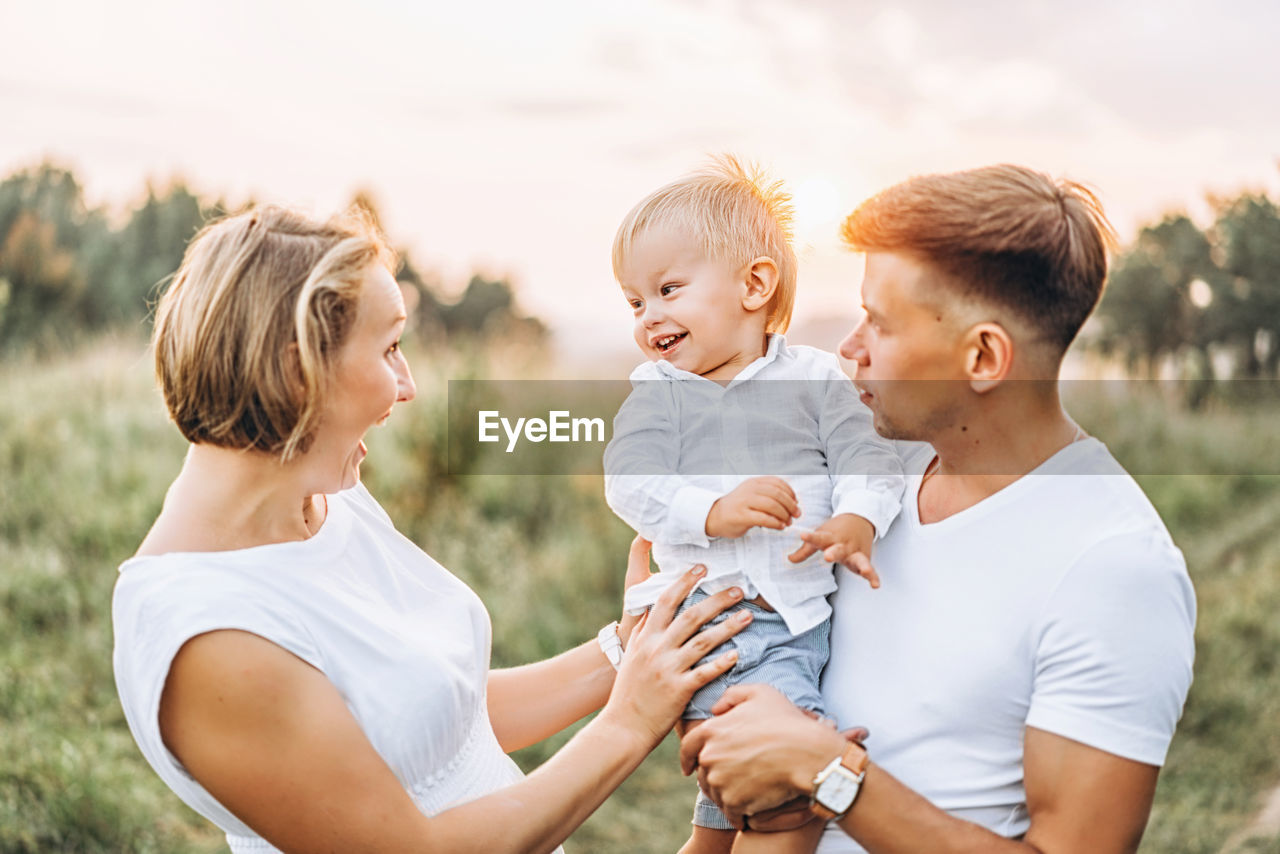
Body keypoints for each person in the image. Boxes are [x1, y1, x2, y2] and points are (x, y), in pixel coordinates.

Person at [111, 205, 755, 854]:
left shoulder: (324, 495)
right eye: (390, 347)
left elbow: (436, 726)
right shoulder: (209, 637)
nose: (409, 384)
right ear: (296, 371)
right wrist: (627, 724)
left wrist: (621, 653)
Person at [680, 164, 1197, 853]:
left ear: (983, 356)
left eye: (880, 323)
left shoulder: (1112, 566)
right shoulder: (865, 482)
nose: (849, 348)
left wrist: (828, 772)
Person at [603, 156, 904, 854]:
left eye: (667, 289)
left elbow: (868, 457)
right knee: (780, 807)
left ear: (755, 284)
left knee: (722, 817)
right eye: (635, 302)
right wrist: (712, 509)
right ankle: (801, 783)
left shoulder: (814, 379)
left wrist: (858, 518)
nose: (649, 317)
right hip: (706, 630)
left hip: (791, 625)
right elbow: (630, 482)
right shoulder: (659, 393)